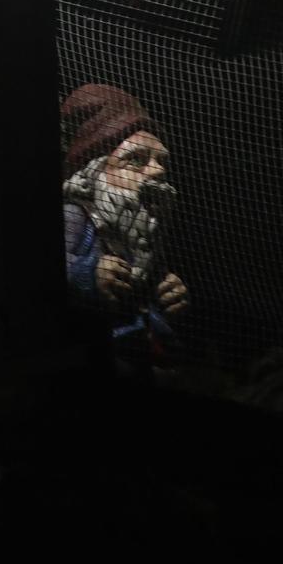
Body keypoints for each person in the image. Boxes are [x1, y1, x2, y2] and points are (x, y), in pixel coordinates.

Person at [61, 82, 189, 372]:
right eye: (136, 160)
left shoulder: (142, 232)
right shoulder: (74, 216)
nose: (157, 171)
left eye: (161, 161)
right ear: (93, 173)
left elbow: (146, 285)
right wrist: (87, 273)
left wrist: (168, 292)